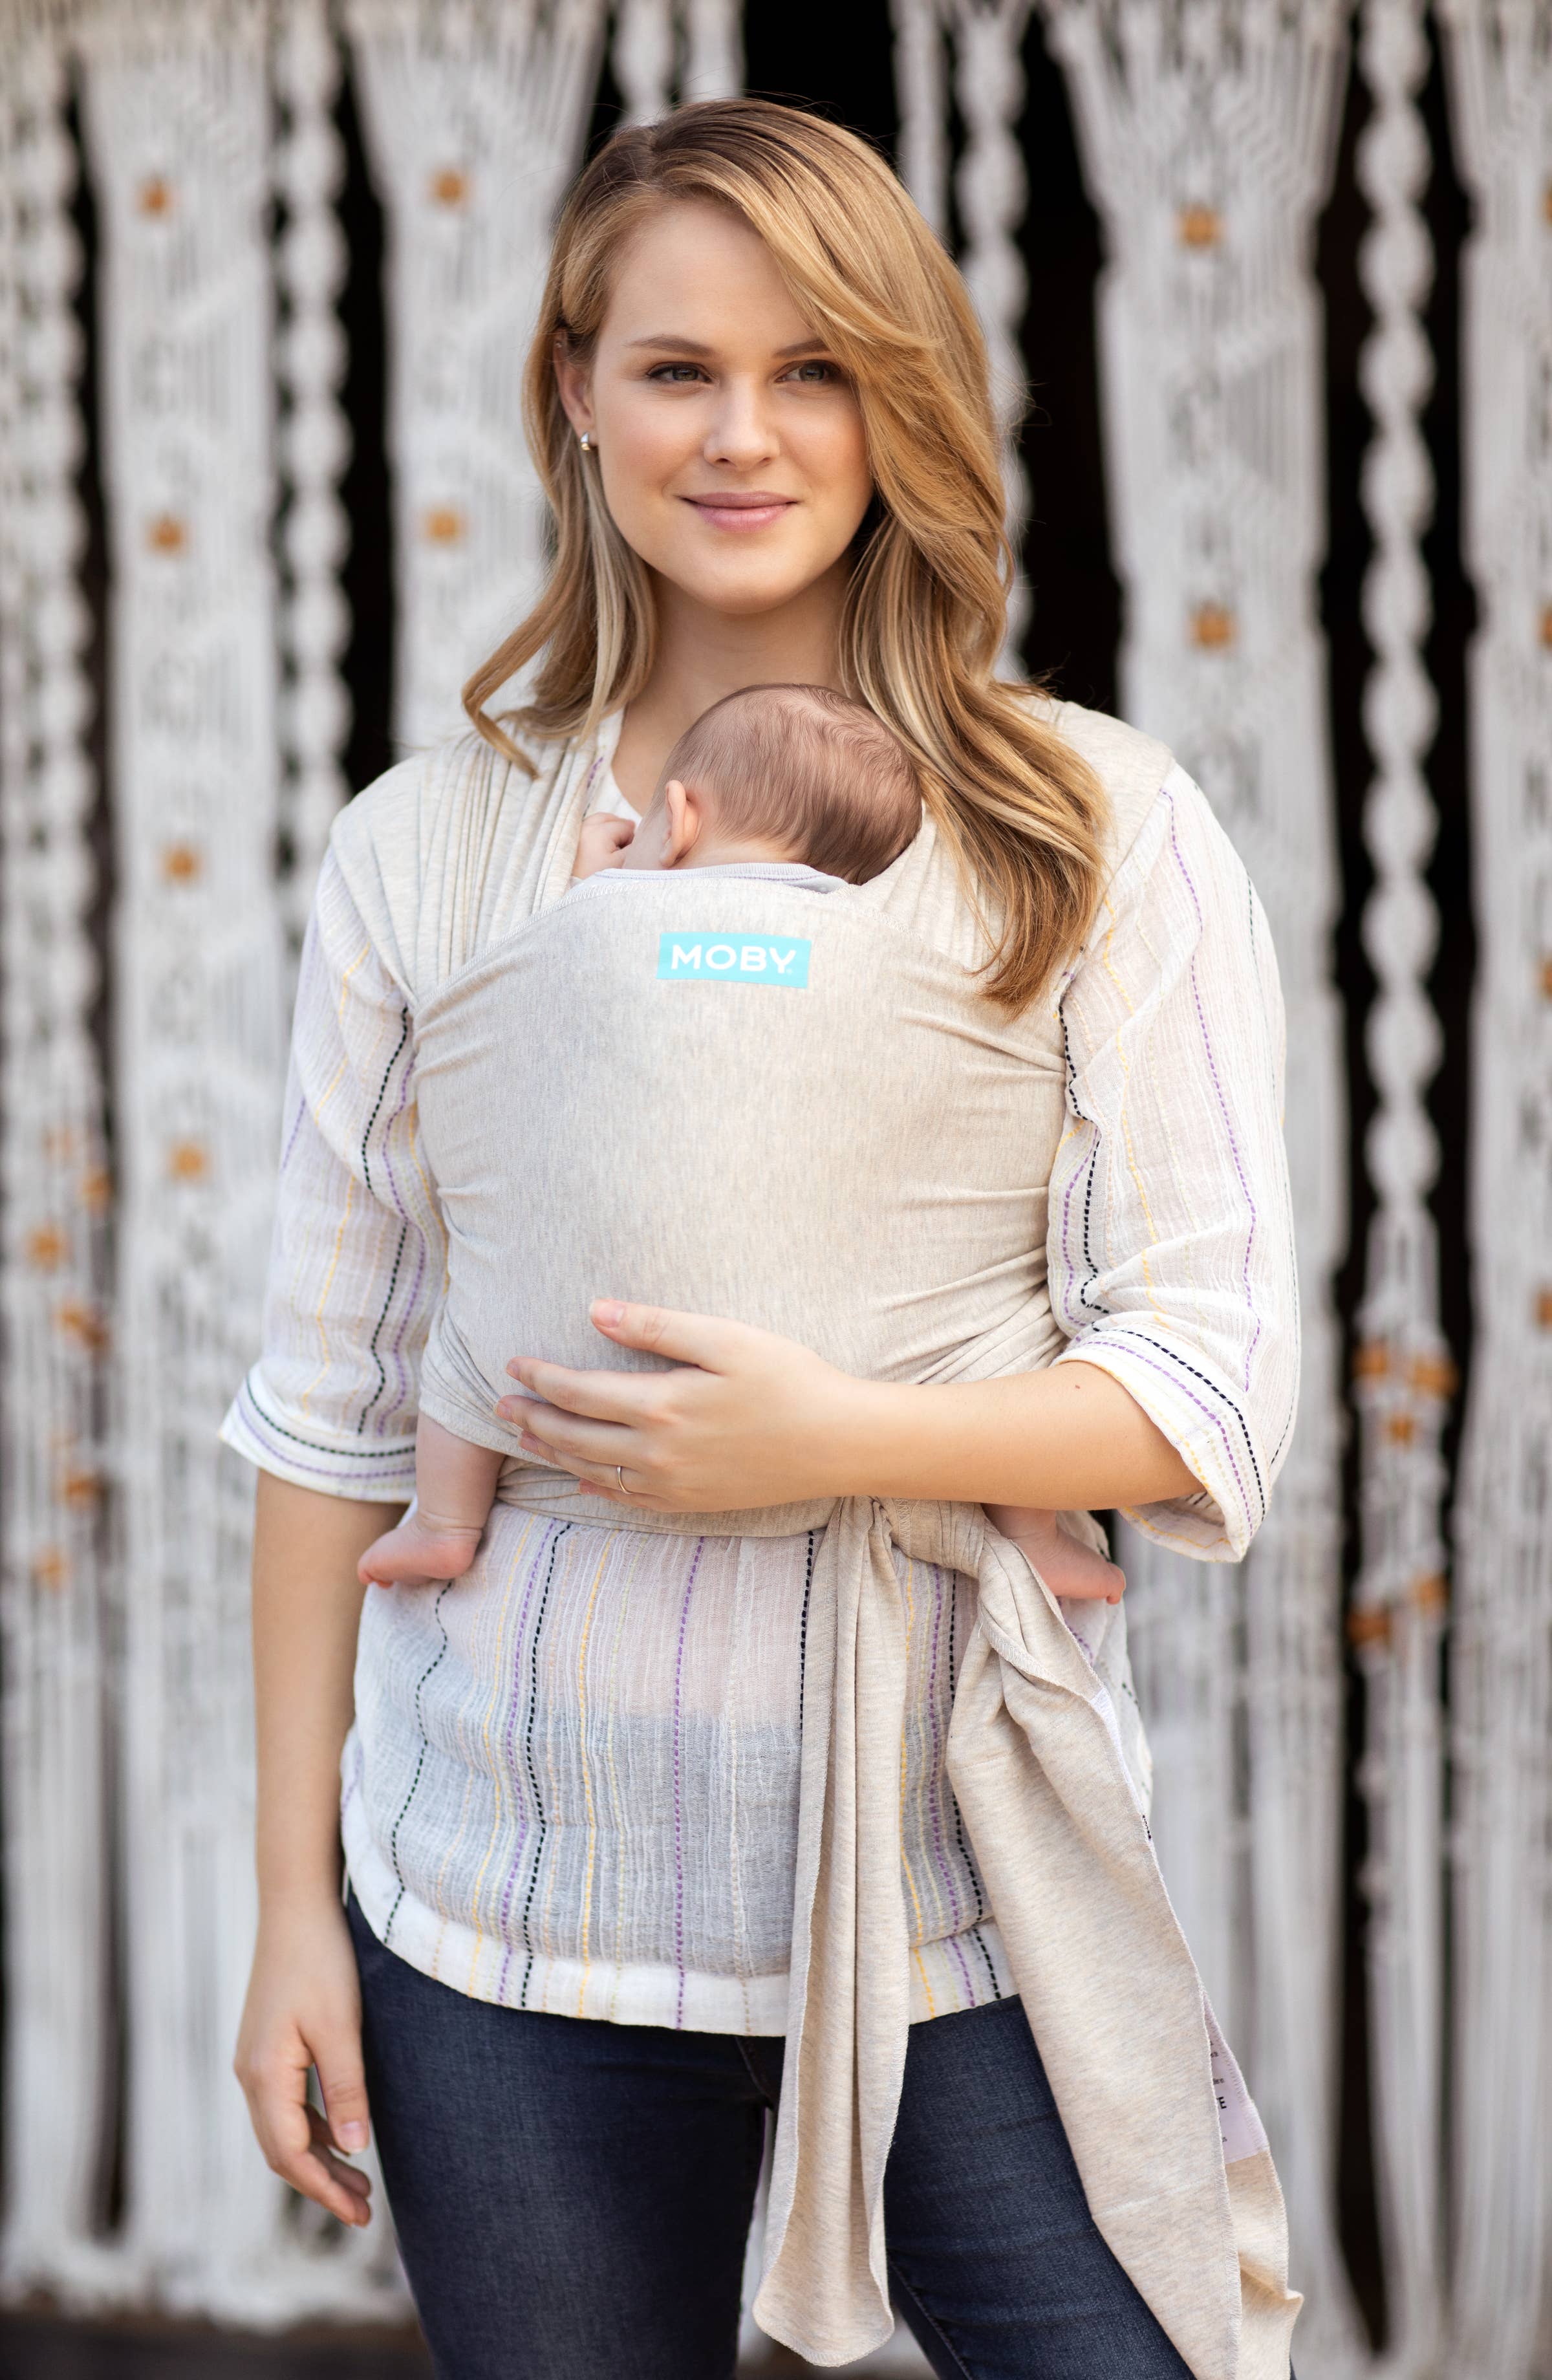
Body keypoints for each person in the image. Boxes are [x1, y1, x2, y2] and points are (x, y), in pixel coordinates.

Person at [229, 100, 1299, 2380]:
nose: (744, 435)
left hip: (968, 1899)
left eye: (815, 369)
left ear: (901, 398)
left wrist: (837, 1439)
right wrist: (290, 1916)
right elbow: (329, 1415)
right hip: (504, 1919)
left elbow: (1209, 1384)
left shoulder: (1092, 829)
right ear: (574, 393)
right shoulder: (426, 852)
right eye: (676, 369)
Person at [356, 678, 1125, 1616]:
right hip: (860, 1365)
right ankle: (1034, 1539)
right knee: (993, 1343)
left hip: (567, 1347)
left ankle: (443, 1521)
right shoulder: (877, 942)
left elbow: (560, 982)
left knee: (469, 1339)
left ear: (679, 819)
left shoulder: (597, 913)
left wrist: (597, 887)